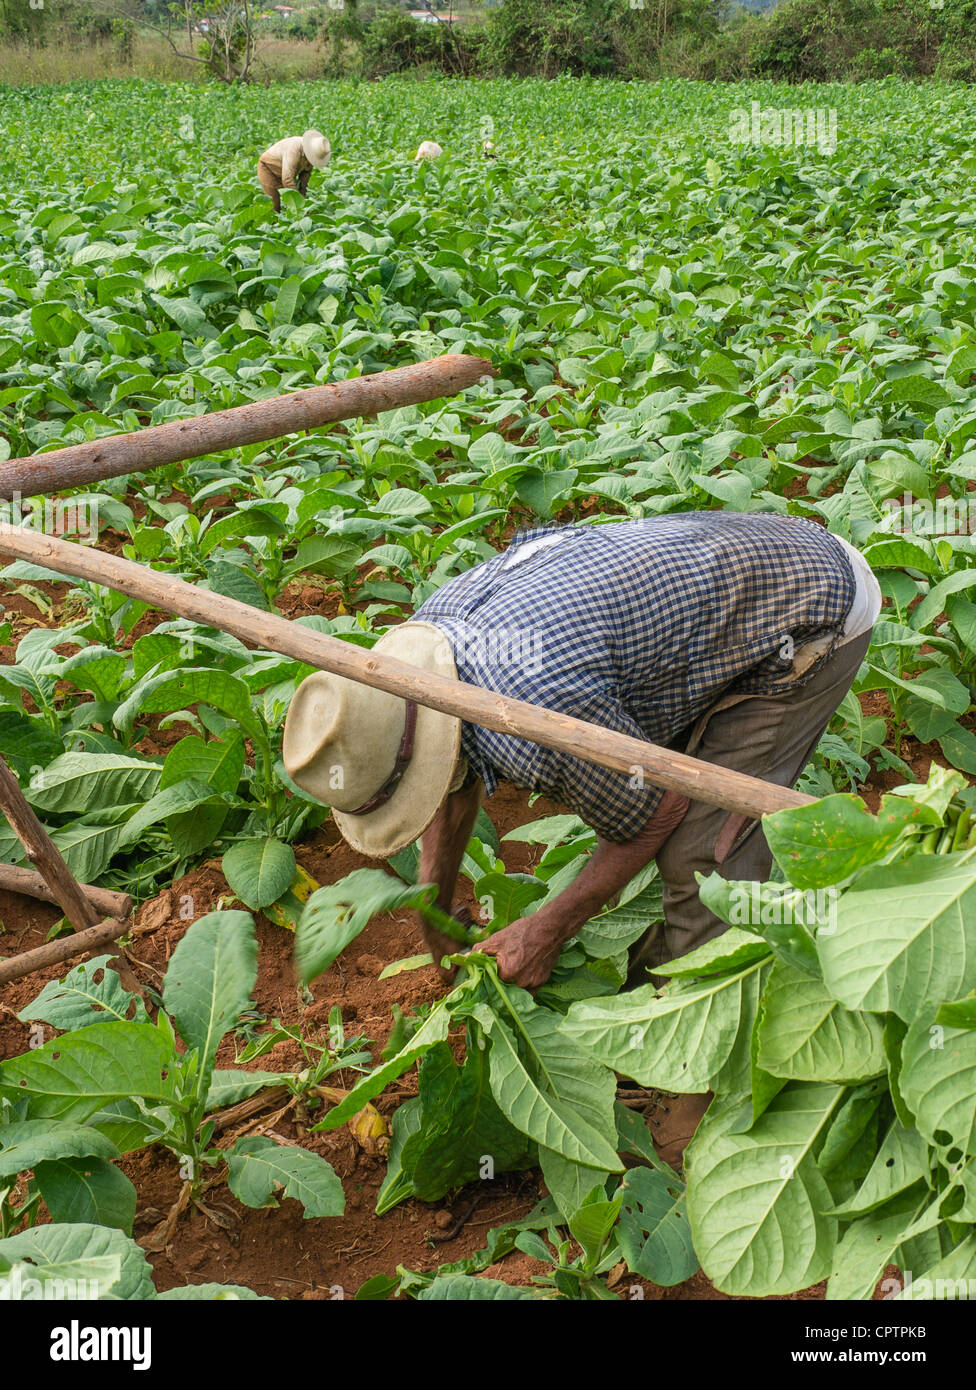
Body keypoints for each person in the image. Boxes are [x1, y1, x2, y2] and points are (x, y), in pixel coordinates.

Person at [283, 513, 880, 1154]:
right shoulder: (424, 663)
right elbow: (452, 776)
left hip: (808, 615)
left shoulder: (533, 712)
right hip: (719, 591)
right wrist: (436, 901)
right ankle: (662, 971)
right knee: (656, 789)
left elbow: (653, 813)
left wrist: (546, 929)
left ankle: (704, 1079)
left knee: (703, 855)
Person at [257, 129, 331, 212]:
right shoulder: (294, 149)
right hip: (268, 168)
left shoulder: (311, 157)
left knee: (293, 204)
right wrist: (298, 204)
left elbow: (304, 179)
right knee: (274, 207)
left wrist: (303, 200)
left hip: (284, 172)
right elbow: (287, 180)